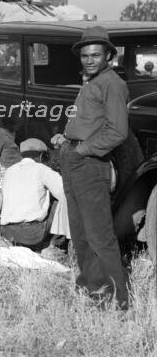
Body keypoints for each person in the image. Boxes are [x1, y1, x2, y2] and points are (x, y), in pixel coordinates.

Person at [51, 26, 129, 309]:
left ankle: (119, 301)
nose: (90, 59)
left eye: (96, 54)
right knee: (80, 232)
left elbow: (117, 131)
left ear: (108, 54)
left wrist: (82, 149)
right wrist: (67, 138)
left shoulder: (112, 83)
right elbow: (90, 123)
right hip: (74, 160)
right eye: (85, 55)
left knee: (99, 235)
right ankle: (93, 289)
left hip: (91, 164)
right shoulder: (90, 83)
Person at [0, 138, 70, 247]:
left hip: (7, 232)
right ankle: (55, 245)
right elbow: (65, 192)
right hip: (32, 234)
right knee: (62, 201)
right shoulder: (42, 169)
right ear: (41, 156)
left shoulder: (9, 171)